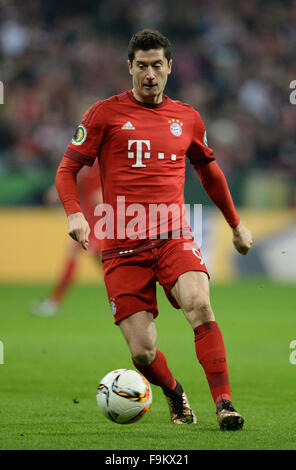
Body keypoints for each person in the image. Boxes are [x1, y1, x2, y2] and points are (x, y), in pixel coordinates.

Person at [55, 29, 253, 430]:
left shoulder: (188, 118)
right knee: (143, 352)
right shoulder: (103, 114)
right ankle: (174, 391)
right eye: (141, 66)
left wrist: (235, 224)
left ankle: (225, 404)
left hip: (172, 235)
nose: (149, 73)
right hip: (122, 244)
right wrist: (74, 213)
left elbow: (210, 171)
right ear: (129, 67)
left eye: (157, 65)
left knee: (199, 303)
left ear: (169, 68)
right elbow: (67, 169)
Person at [32, 159, 103, 316]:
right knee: (100, 261)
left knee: (105, 262)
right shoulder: (88, 159)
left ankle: (54, 302)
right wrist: (57, 191)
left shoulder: (101, 160)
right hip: (88, 216)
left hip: (98, 218)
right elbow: (72, 176)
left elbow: (102, 190)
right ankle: (54, 301)